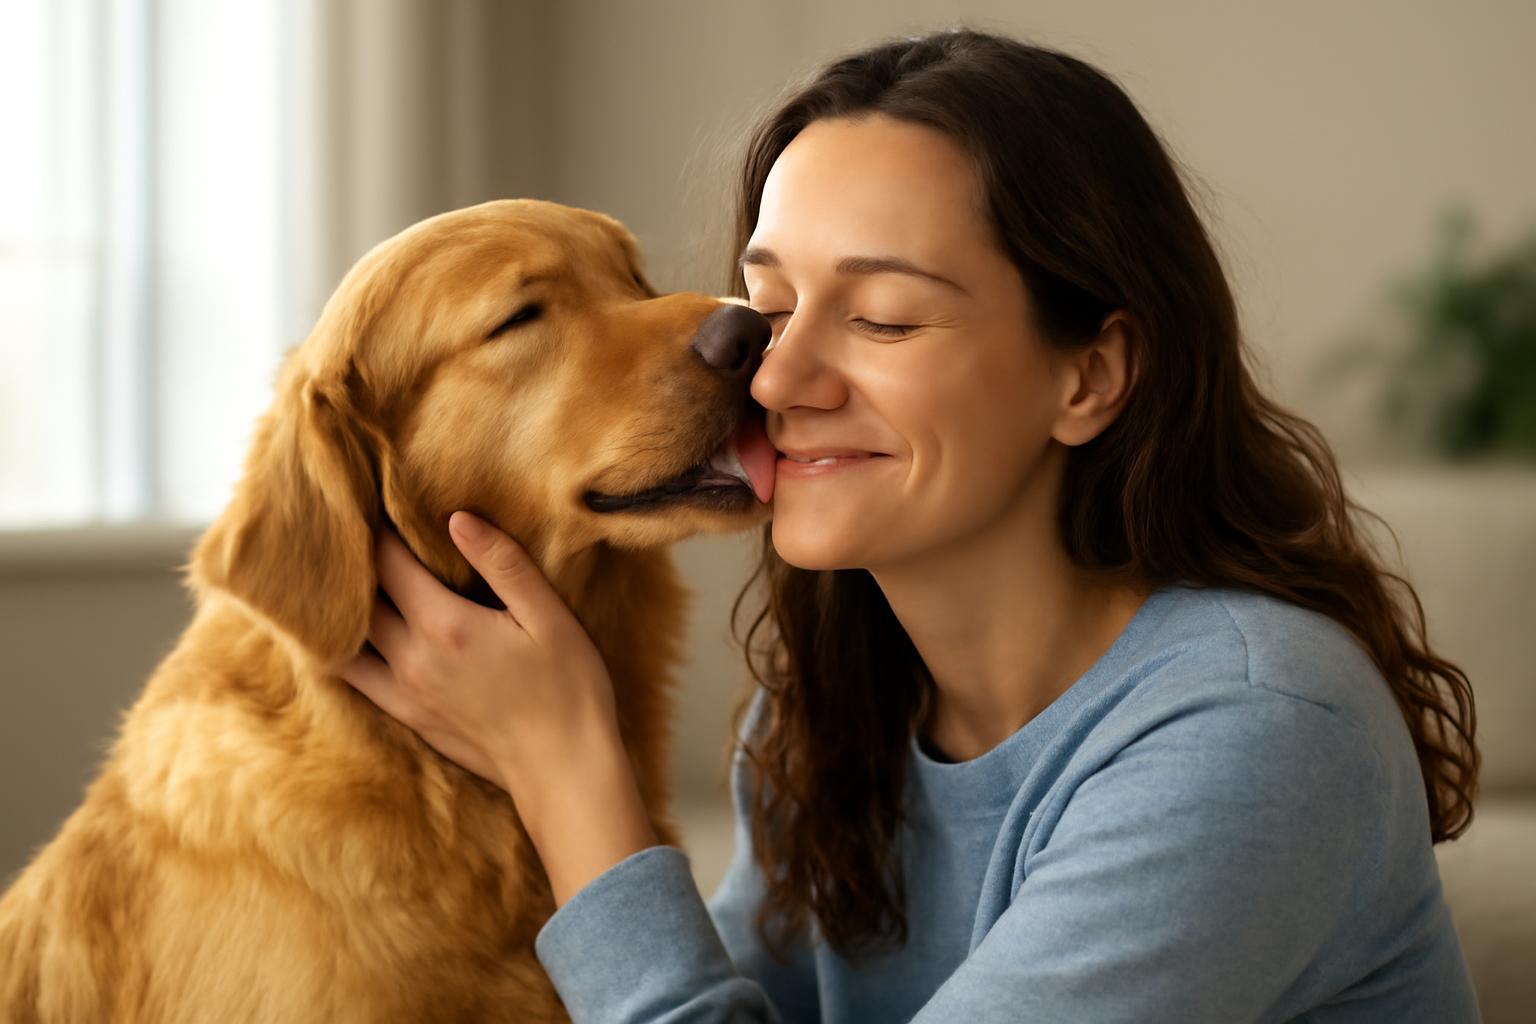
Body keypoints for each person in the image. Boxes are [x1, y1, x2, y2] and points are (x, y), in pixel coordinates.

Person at [338, 28, 1483, 1023]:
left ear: (1090, 375)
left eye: (884, 318)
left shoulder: (1256, 733)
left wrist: (565, 769)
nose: (773, 378)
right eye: (768, 309)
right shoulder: (835, 706)